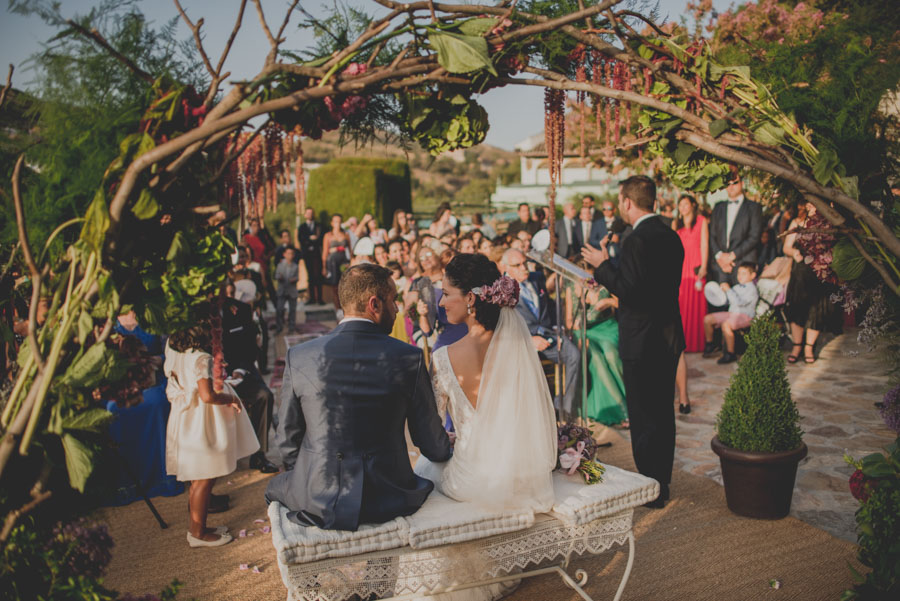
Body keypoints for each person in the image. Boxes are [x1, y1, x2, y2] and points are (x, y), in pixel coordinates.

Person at [266, 264, 451, 530]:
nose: (397, 309)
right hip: (390, 496)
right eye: (393, 301)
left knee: (274, 488)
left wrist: (310, 479)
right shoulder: (408, 358)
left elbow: (286, 439)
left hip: (319, 497)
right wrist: (448, 446)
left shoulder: (300, 357)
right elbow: (432, 445)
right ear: (374, 304)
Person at [415, 253, 556, 520]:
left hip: (469, 481)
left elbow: (432, 434)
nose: (442, 302)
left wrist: (458, 440)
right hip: (522, 476)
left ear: (470, 298)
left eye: (446, 293)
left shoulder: (443, 357)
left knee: (425, 466)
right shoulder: (517, 347)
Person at [581, 175, 684, 508]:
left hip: (643, 339)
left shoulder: (637, 240)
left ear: (627, 201)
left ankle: (649, 485)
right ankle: (661, 481)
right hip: (667, 336)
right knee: (662, 414)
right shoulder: (671, 236)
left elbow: (631, 291)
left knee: (643, 414)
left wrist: (602, 266)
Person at [164, 304, 259, 547]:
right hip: (201, 419)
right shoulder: (201, 358)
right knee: (204, 477)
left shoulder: (174, 347)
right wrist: (231, 399)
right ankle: (197, 533)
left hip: (187, 417)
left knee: (199, 478)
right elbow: (207, 396)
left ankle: (200, 525)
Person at [501, 248, 580, 418]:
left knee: (573, 354)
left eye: (525, 263)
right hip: (520, 342)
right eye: (518, 265)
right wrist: (529, 340)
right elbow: (502, 328)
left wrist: (558, 328)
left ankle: (563, 409)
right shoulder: (501, 290)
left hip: (548, 335)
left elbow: (549, 305)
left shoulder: (537, 278)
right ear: (505, 267)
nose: (524, 268)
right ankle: (537, 413)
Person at [221, 295, 279, 474]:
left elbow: (251, 348)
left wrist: (239, 370)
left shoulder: (241, 310)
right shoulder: (194, 312)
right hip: (208, 374)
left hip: (240, 370)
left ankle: (258, 454)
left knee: (264, 396)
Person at [564, 274, 628, 427]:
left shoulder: (605, 283)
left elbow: (624, 302)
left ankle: (632, 399)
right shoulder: (572, 288)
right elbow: (568, 321)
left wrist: (608, 301)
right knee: (597, 358)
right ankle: (622, 409)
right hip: (584, 331)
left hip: (606, 328)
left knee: (612, 355)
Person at [782, 203, 842, 364]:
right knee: (797, 308)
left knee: (817, 311)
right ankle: (797, 346)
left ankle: (809, 347)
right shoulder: (797, 222)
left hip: (819, 272)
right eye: (807, 202)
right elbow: (786, 247)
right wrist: (794, 252)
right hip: (800, 271)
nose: (810, 205)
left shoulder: (827, 222)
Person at [708, 176, 764, 287]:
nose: (731, 186)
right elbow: (712, 235)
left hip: (743, 264)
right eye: (728, 183)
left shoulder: (754, 207)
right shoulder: (718, 207)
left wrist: (732, 256)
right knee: (718, 302)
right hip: (719, 265)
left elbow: (754, 236)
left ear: (742, 183)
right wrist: (720, 257)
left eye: (735, 183)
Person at [702, 263, 759, 365]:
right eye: (739, 273)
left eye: (744, 273)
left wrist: (728, 290)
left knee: (726, 324)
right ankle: (710, 344)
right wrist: (719, 292)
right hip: (732, 313)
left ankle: (730, 353)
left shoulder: (752, 289)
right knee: (708, 319)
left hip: (745, 316)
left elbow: (739, 302)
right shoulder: (737, 287)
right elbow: (727, 301)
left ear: (753, 275)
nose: (740, 276)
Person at [674, 194, 708, 353]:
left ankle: (697, 343)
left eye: (686, 204)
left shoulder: (701, 221)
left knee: (696, 305)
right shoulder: (676, 224)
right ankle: (682, 342)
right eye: (680, 205)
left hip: (696, 265)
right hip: (681, 267)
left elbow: (704, 244)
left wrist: (704, 266)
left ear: (693, 205)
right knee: (681, 304)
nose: (683, 208)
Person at [322, 214, 350, 315]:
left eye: (339, 221)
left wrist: (351, 262)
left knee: (345, 285)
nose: (338, 224)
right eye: (336, 221)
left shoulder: (345, 234)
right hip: (332, 262)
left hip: (344, 262)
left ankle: (346, 307)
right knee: (335, 286)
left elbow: (349, 250)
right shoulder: (328, 236)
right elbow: (325, 252)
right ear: (332, 223)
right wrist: (324, 267)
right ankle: (337, 308)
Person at [297, 208, 324, 305]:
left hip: (316, 254)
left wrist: (315, 240)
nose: (309, 215)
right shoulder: (302, 227)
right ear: (305, 215)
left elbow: (321, 238)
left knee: (318, 276)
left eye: (311, 213)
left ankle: (320, 298)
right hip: (307, 254)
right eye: (308, 213)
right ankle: (312, 298)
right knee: (310, 276)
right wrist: (309, 239)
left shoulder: (318, 226)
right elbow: (300, 239)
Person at [274, 248, 299, 333]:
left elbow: (297, 277)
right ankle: (279, 327)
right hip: (282, 290)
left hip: (292, 290)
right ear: (284, 254)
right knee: (279, 309)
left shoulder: (295, 266)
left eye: (291, 253)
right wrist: (279, 277)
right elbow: (276, 275)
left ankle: (291, 327)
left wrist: (294, 279)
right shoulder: (280, 265)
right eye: (288, 253)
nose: (290, 255)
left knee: (292, 310)